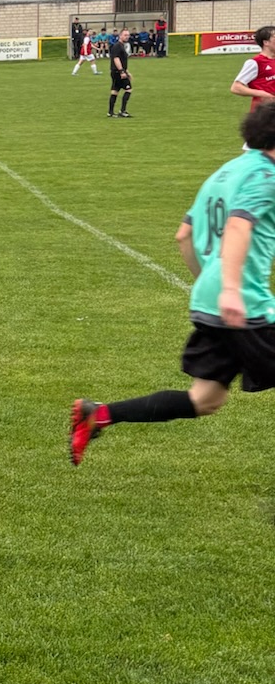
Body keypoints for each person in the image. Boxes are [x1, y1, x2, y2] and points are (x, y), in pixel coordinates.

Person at [71, 104, 275, 463]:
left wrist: (210, 285)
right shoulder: (267, 177)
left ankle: (99, 415)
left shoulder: (225, 172)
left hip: (210, 302)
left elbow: (184, 235)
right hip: (242, 302)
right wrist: (230, 289)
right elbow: (239, 225)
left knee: (205, 400)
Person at [230, 26, 275, 105]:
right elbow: (236, 87)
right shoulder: (255, 62)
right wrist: (262, 94)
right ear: (266, 42)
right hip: (265, 110)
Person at [106, 30, 133, 118]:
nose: (127, 37)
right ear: (120, 36)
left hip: (117, 72)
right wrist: (122, 71)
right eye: (125, 35)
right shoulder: (117, 46)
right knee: (128, 89)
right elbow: (116, 59)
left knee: (115, 91)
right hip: (118, 72)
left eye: (128, 35)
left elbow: (122, 61)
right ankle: (122, 111)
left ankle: (110, 112)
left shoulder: (121, 46)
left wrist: (127, 72)